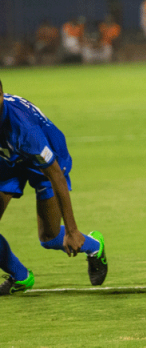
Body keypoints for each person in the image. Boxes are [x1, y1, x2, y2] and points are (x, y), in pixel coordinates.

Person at [0, 80, 107, 295]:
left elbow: (55, 175)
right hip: (11, 159)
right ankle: (21, 277)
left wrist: (72, 230)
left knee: (48, 238)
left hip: (47, 164)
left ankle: (94, 246)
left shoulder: (23, 129)